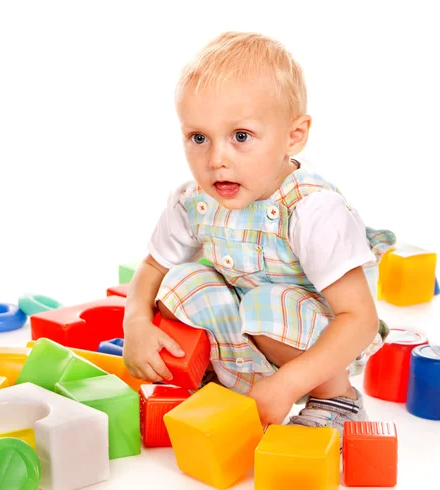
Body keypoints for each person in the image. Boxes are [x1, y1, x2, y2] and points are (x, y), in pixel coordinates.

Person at [122, 31, 395, 443]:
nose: (216, 160)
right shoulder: (193, 201)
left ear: (293, 136)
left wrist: (288, 385)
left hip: (319, 342)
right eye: (199, 138)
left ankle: (336, 398)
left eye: (241, 136)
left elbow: (359, 320)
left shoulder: (311, 210)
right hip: (246, 334)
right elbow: (152, 267)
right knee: (180, 281)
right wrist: (136, 323)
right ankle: (226, 381)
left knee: (267, 302)